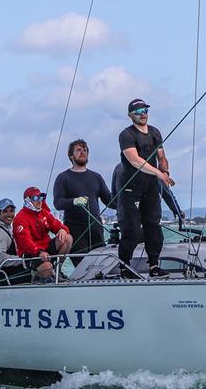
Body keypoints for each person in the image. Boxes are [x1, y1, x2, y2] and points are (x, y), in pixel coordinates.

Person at [117, 98, 173, 278]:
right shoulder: (126, 135)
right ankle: (124, 267)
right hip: (131, 188)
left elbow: (162, 156)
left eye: (145, 110)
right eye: (139, 112)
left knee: (153, 225)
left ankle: (154, 266)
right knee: (131, 228)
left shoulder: (155, 132)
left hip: (150, 187)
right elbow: (135, 160)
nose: (143, 114)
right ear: (130, 116)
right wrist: (158, 173)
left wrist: (165, 170)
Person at [53, 139, 114, 266]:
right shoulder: (63, 178)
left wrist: (127, 200)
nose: (83, 152)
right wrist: (74, 201)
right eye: (79, 150)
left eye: (85, 150)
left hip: (96, 229)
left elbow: (109, 200)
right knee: (83, 266)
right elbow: (58, 203)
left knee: (99, 266)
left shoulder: (96, 177)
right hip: (75, 229)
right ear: (71, 155)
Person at [12, 186, 73, 283]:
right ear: (28, 201)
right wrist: (39, 252)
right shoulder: (20, 218)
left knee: (68, 238)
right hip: (30, 253)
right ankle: (39, 276)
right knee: (47, 268)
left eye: (41, 198)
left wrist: (62, 229)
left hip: (45, 248)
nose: (39, 201)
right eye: (35, 198)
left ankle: (57, 271)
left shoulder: (44, 213)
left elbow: (57, 225)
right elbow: (26, 242)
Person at [111, 162, 184, 222]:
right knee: (153, 237)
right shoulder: (151, 169)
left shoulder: (118, 168)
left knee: (128, 238)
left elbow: (114, 197)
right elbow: (167, 194)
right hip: (148, 217)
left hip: (124, 215)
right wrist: (178, 211)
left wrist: (120, 208)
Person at [0, 198, 30, 285]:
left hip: (8, 273)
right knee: (37, 272)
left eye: (11, 211)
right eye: (5, 211)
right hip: (4, 276)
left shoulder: (6, 228)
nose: (9, 214)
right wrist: (22, 260)